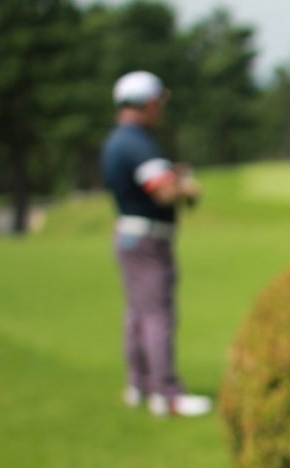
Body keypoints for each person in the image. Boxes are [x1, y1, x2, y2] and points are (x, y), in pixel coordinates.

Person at [101, 71, 212, 418]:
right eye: (158, 103)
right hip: (148, 239)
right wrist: (187, 190)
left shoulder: (116, 139)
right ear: (148, 104)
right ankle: (166, 395)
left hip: (128, 234)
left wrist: (169, 175)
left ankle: (140, 384)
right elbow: (162, 192)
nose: (160, 110)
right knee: (157, 315)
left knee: (137, 314)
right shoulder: (139, 142)